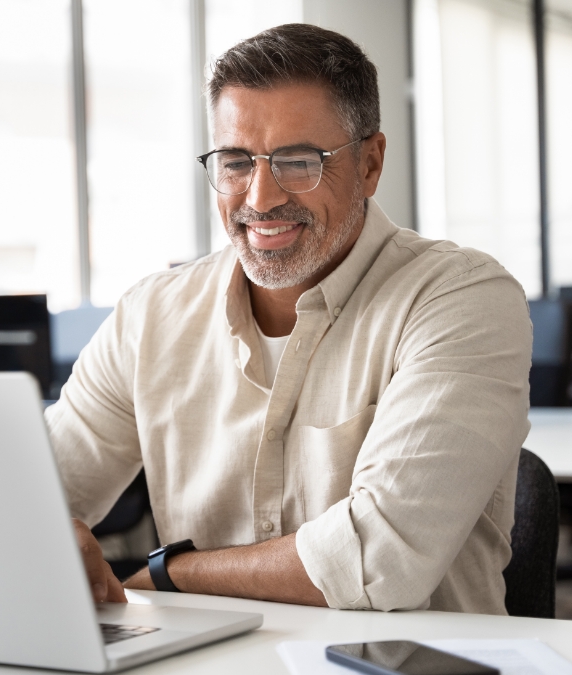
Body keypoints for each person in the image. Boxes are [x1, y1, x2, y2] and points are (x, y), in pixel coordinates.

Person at [45, 23, 531, 615]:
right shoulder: (150, 316)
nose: (260, 197)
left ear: (371, 164)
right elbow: (35, 492)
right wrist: (32, 533)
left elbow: (380, 558)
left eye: (299, 161)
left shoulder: (461, 298)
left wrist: (169, 576)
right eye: (235, 162)